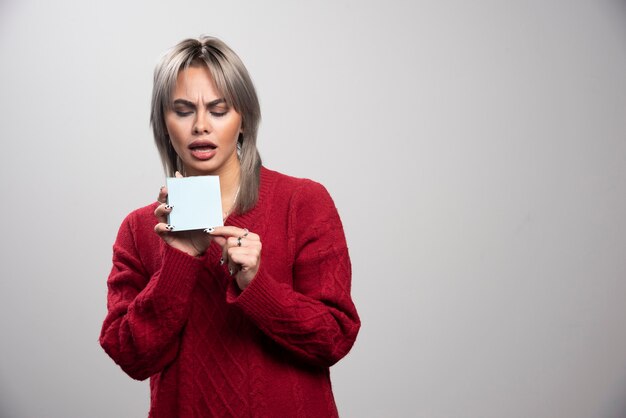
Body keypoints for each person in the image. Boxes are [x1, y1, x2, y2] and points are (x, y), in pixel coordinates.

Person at [99, 36, 360, 418]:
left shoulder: (302, 202)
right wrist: (178, 261)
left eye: (219, 111)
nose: (201, 126)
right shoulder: (140, 229)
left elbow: (334, 339)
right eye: (183, 110)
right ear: (164, 122)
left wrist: (256, 284)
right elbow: (131, 356)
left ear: (243, 120)